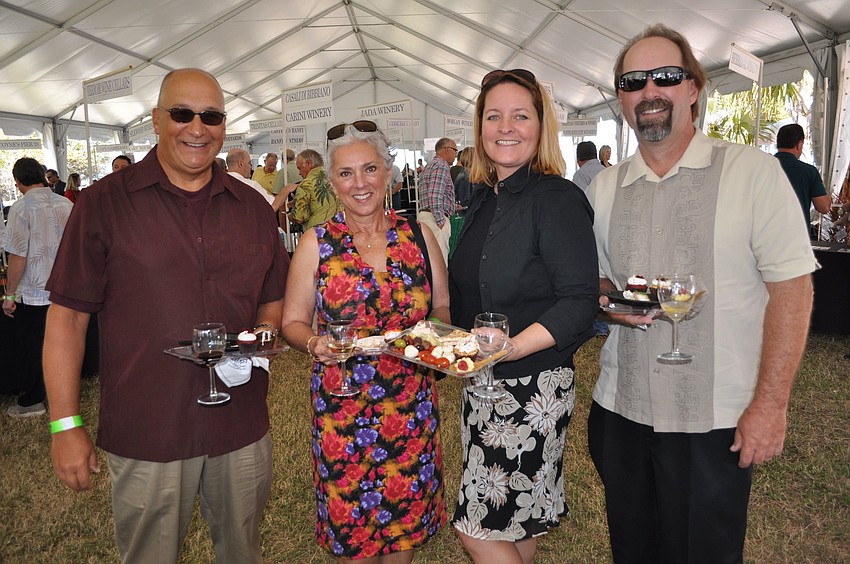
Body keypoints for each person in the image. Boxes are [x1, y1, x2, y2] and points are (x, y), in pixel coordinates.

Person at [585, 24, 817, 563]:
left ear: (693, 89)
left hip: (713, 420)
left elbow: (793, 291)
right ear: (621, 97)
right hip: (623, 411)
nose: (649, 91)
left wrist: (771, 404)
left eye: (666, 76)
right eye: (633, 80)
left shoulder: (754, 174)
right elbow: (596, 282)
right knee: (632, 551)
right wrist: (609, 301)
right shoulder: (603, 189)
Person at [43, 68, 289, 562]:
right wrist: (64, 425)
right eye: (182, 113)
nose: (197, 128)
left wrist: (264, 332)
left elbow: (272, 294)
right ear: (157, 119)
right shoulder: (104, 204)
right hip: (147, 426)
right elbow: (67, 319)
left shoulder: (250, 206)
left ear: (224, 125)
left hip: (238, 426)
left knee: (243, 550)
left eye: (212, 116)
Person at [448, 68, 599, 563]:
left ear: (541, 126)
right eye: (494, 116)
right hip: (484, 381)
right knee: (515, 518)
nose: (506, 127)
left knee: (478, 527)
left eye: (520, 115)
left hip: (533, 388)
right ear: (480, 127)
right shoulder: (481, 199)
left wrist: (507, 349)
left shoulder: (556, 199)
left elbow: (579, 302)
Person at [281, 120, 449, 561]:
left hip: (411, 403)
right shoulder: (316, 244)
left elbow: (443, 310)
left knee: (405, 526)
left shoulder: (420, 236)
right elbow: (293, 322)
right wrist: (314, 344)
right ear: (332, 183)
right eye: (346, 173)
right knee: (354, 532)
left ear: (389, 174)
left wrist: (431, 340)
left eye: (370, 169)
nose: (360, 183)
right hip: (343, 407)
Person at [2, 158, 73, 417]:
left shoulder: (21, 209)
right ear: (43, 176)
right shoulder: (65, 203)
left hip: (35, 291)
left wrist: (10, 295)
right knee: (64, 345)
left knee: (34, 348)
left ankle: (33, 400)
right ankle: (63, 395)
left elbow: (18, 256)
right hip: (64, 288)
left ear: (18, 182)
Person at [774, 123, 831, 226]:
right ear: (799, 144)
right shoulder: (808, 171)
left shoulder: (761, 168)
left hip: (764, 236)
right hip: (797, 236)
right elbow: (824, 207)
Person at [418, 138, 458, 264]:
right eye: (455, 150)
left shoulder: (430, 165)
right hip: (435, 220)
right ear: (446, 149)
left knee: (430, 263)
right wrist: (441, 221)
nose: (456, 154)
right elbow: (435, 195)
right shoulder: (441, 166)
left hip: (428, 217)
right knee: (440, 263)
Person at [289, 149, 341, 229]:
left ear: (308, 164)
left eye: (299, 168)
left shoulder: (306, 184)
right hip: (340, 230)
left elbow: (300, 218)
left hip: (317, 233)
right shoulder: (336, 178)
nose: (299, 173)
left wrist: (292, 214)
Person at [225, 147, 287, 211]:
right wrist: (286, 189)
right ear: (240, 164)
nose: (251, 166)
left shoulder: (219, 183)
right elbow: (273, 205)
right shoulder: (250, 185)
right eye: (249, 163)